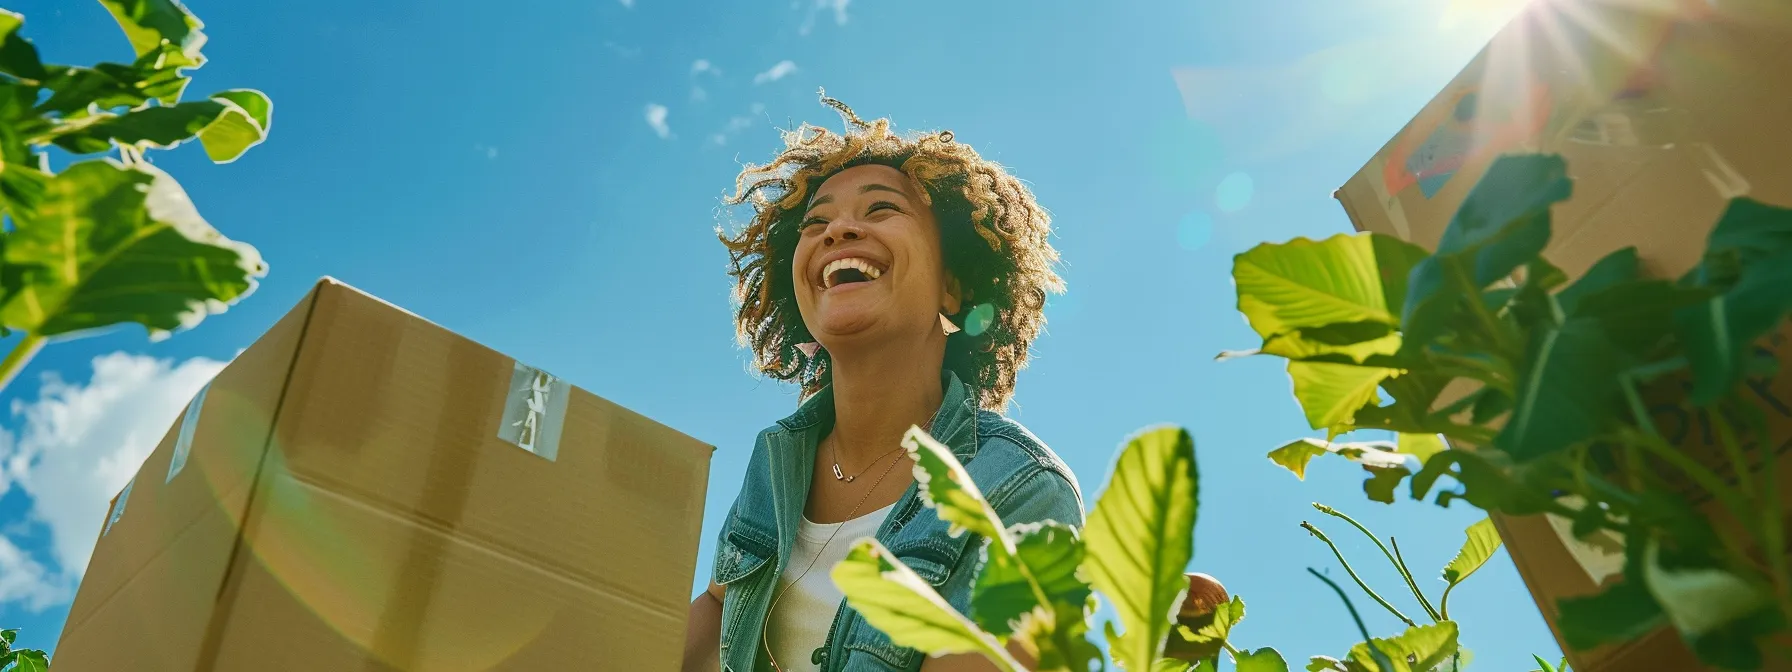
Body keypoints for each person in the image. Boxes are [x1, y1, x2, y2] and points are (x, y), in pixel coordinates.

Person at [681, 92, 1084, 672]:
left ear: (951, 287)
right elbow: (709, 625)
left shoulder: (1019, 490)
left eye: (880, 211)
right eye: (815, 221)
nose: (837, 230)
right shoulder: (775, 463)